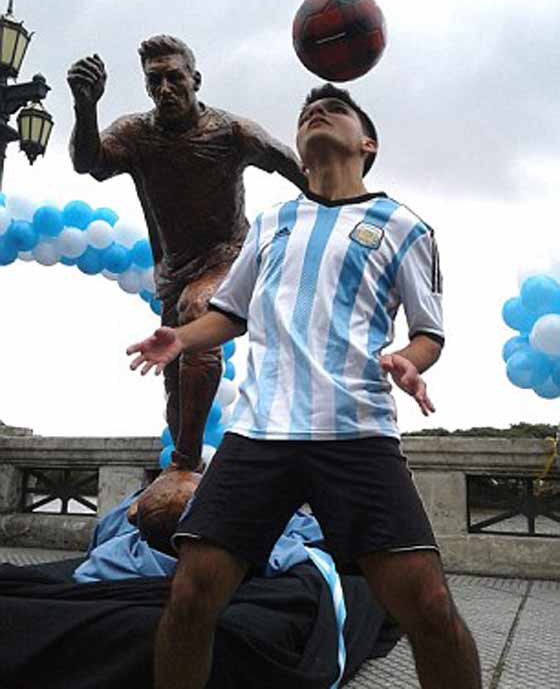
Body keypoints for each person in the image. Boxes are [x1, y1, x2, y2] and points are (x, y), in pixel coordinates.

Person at [127, 83, 482, 689]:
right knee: (190, 594)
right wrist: (181, 338)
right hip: (258, 434)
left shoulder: (405, 226)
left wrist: (407, 359)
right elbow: (231, 312)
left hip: (356, 431)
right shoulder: (272, 222)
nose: (316, 112)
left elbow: (429, 333)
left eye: (335, 109)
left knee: (426, 604)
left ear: (367, 144)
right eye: (306, 112)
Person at [67, 35, 306, 475]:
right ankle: (185, 466)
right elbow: (89, 163)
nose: (165, 89)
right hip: (175, 272)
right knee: (175, 382)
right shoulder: (135, 134)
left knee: (197, 309)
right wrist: (85, 105)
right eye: (154, 81)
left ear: (195, 80)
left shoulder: (232, 131)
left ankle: (183, 464)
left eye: (174, 78)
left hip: (229, 258)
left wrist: (329, 210)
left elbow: (289, 163)